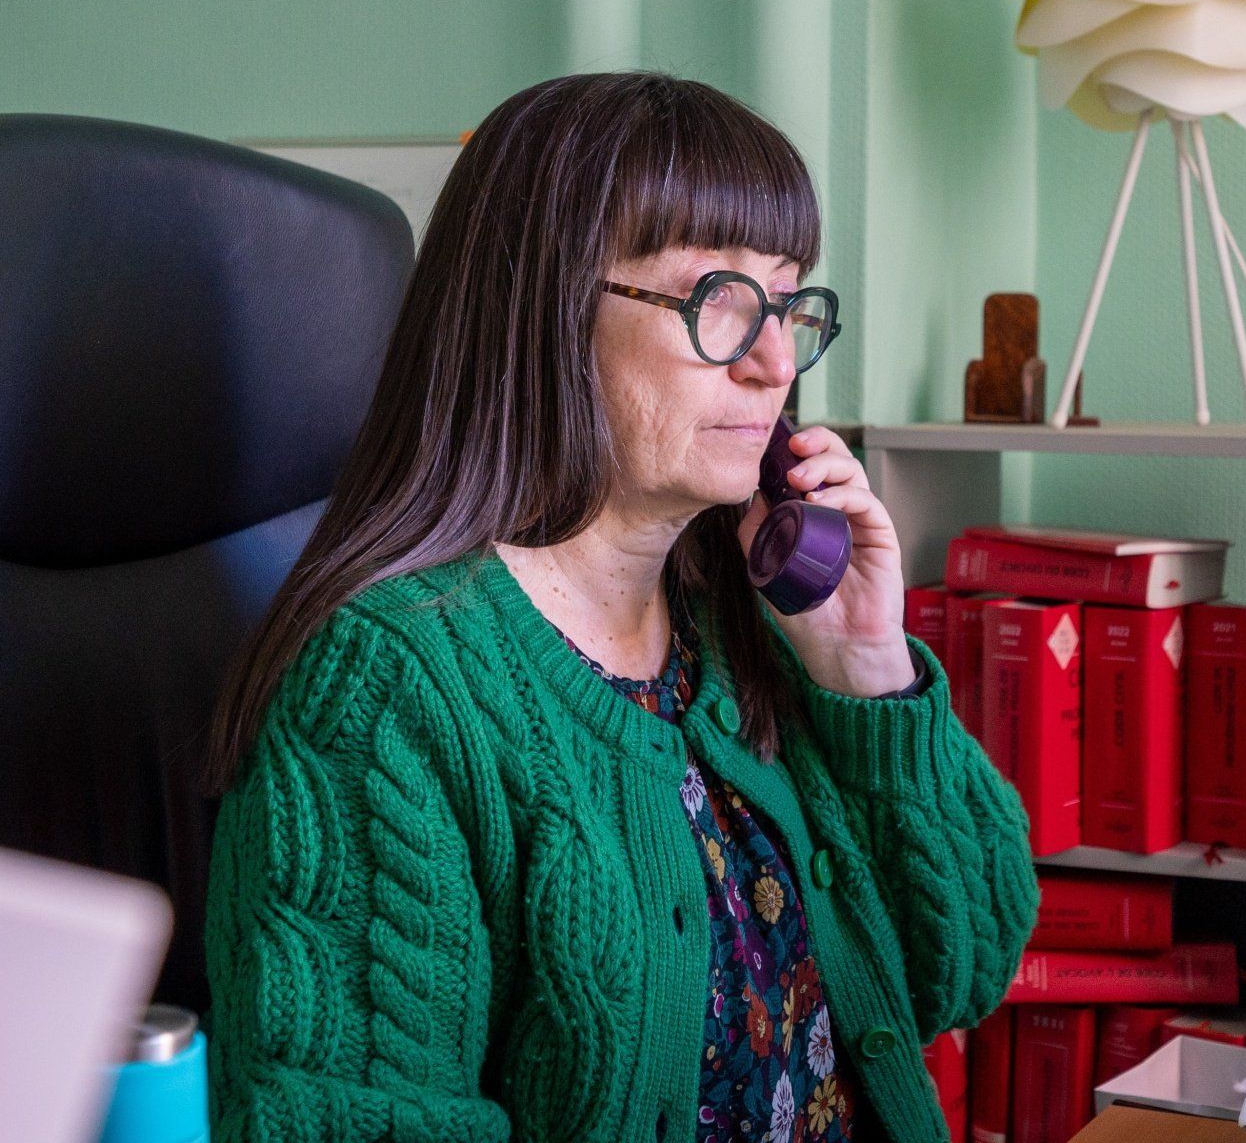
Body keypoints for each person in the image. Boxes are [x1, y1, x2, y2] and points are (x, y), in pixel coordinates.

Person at [200, 71, 1040, 1143]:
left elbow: (964, 965)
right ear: (547, 311)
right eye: (720, 298)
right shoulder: (388, 693)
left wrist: (866, 664)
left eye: (787, 301)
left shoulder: (750, 622)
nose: (776, 362)